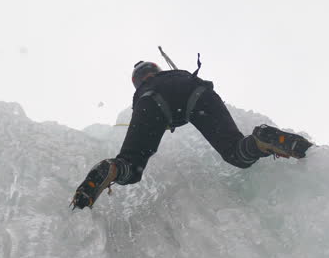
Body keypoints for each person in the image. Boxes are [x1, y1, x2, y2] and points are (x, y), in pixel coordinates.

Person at [71, 59, 312, 209]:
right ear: (156, 69)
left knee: (130, 165)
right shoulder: (175, 74)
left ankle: (111, 169)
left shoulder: (144, 89)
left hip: (151, 103)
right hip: (196, 91)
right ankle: (260, 140)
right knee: (235, 151)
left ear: (137, 80)